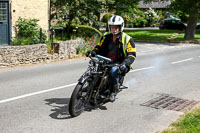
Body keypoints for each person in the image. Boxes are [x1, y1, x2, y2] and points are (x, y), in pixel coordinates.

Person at [86, 15, 136, 102]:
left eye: (116, 27)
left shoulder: (127, 39)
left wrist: (125, 64)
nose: (114, 29)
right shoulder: (106, 36)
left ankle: (113, 91)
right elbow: (99, 47)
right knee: (94, 68)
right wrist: (93, 52)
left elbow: (132, 55)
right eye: (112, 27)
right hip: (105, 59)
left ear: (121, 27)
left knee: (113, 71)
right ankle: (92, 85)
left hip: (119, 62)